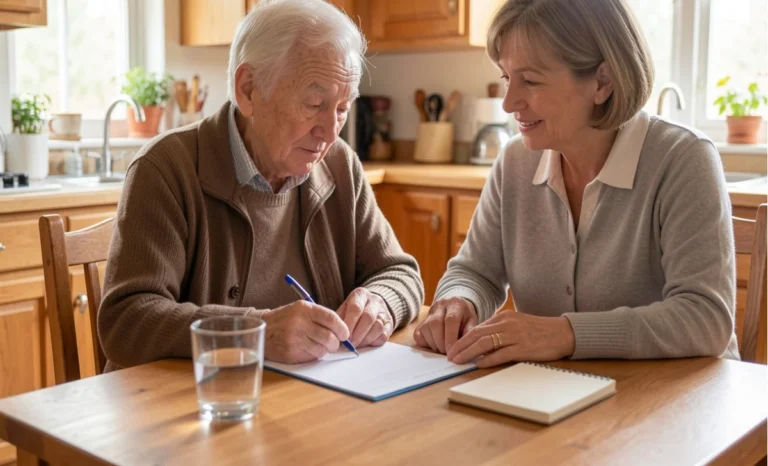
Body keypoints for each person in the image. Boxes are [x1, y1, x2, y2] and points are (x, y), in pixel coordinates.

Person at [98, 0, 424, 370]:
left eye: (342, 108)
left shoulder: (339, 165)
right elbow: (126, 320)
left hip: (303, 404)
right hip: (193, 408)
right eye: (315, 103)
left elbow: (401, 274)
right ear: (248, 89)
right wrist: (255, 332)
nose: (331, 132)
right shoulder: (166, 168)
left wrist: (380, 302)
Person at [414, 0, 738, 367]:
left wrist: (565, 334)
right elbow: (474, 272)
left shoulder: (684, 159)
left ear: (603, 82)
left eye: (530, 81)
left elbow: (706, 318)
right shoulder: (515, 162)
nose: (508, 102)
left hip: (679, 400)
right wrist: (459, 300)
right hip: (556, 396)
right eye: (507, 78)